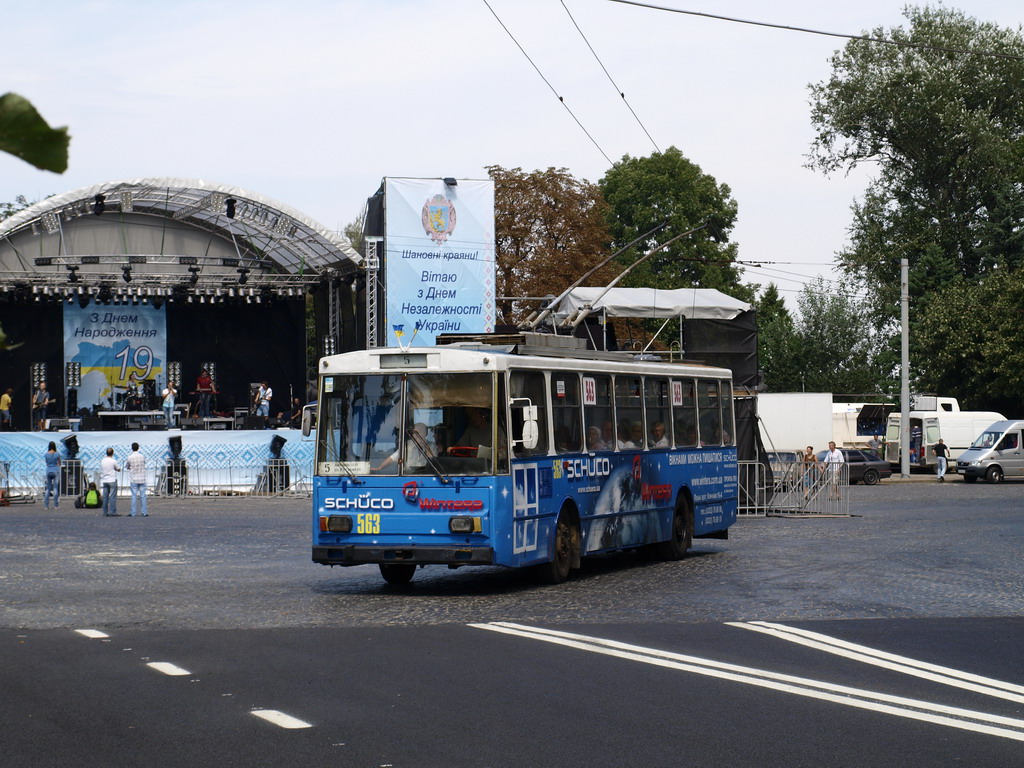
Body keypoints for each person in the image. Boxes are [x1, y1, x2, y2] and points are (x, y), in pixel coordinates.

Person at [125, 442, 148, 516]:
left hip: (134, 478)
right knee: (143, 496)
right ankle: (144, 512)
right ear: (138, 448)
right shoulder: (142, 456)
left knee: (134, 496)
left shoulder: (130, 457)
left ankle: (133, 512)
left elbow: (127, 466)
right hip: (142, 478)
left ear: (132, 448)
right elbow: (144, 463)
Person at [99, 447, 122, 516]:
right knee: (112, 497)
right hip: (112, 479)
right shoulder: (113, 461)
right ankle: (112, 511)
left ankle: (105, 512)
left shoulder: (103, 460)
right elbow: (118, 469)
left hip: (104, 480)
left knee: (105, 497)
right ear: (112, 453)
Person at [43, 440, 61, 509]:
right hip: (56, 471)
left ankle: (46, 506)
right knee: (55, 488)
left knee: (48, 489)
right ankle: (55, 505)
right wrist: (56, 464)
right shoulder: (57, 454)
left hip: (48, 471)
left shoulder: (46, 454)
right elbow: (59, 462)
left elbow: (46, 462)